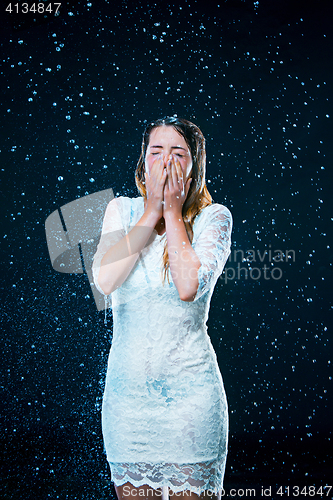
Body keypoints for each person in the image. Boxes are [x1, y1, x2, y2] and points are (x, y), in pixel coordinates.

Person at [92, 117, 233, 500]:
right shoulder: (121, 211)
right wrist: (152, 211)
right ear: (143, 163)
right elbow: (104, 282)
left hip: (191, 406)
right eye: (156, 152)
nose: (165, 161)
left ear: (194, 168)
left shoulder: (213, 217)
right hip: (129, 407)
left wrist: (172, 212)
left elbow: (189, 286)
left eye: (178, 153)